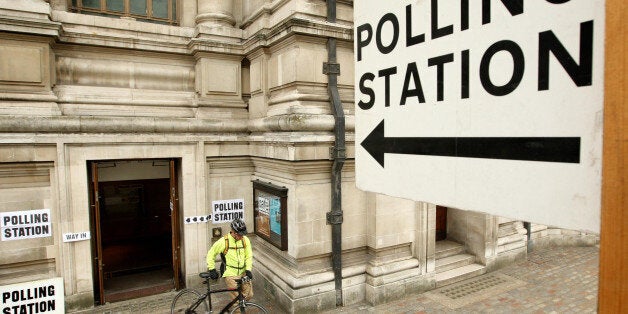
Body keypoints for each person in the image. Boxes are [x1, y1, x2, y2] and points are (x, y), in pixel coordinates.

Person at [206, 218, 254, 300]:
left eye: (243, 234)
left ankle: (237, 308)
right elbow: (211, 254)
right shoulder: (224, 241)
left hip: (243, 272)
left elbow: (249, 256)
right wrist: (212, 269)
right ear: (234, 232)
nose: (242, 236)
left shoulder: (245, 240)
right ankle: (237, 310)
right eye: (240, 235)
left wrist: (248, 270)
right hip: (230, 274)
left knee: (249, 295)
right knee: (237, 300)